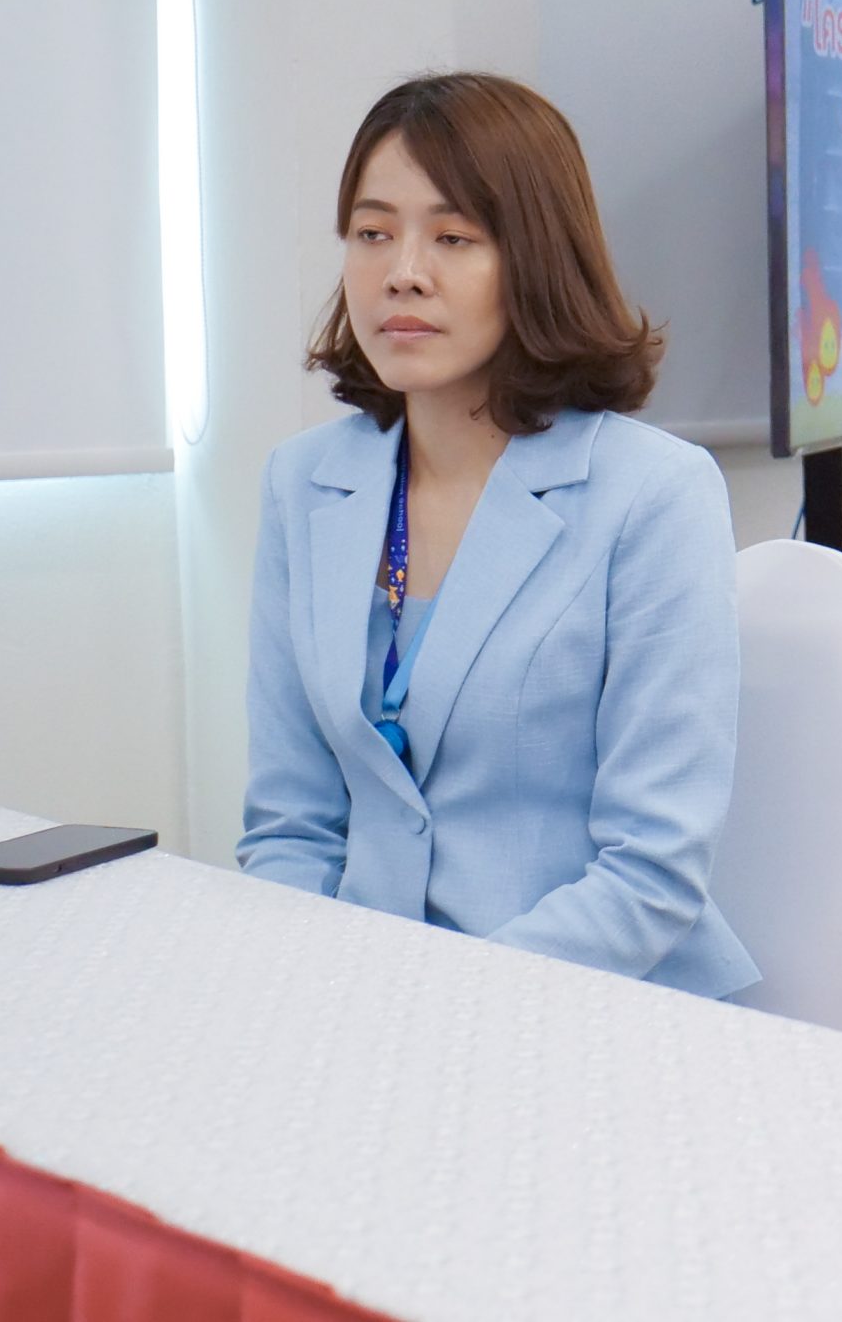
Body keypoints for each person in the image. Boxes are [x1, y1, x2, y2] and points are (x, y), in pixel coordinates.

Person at [238, 73, 759, 999]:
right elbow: (291, 827)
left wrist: (434, 1011)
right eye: (372, 233)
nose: (403, 271)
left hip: (591, 1008)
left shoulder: (655, 496)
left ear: (537, 259)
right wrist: (308, 1001)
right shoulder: (303, 484)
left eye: (453, 238)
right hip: (359, 1003)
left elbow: (651, 875)